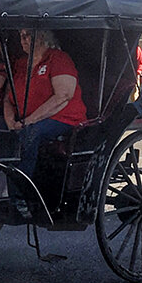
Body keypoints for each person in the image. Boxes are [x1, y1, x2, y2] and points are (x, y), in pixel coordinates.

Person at [5, 28, 86, 178]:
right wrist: (9, 121)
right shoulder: (21, 63)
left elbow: (63, 96)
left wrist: (28, 121)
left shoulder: (58, 59)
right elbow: (7, 97)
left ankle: (20, 192)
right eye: (21, 35)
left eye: (28, 34)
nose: (23, 39)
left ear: (42, 36)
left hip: (62, 118)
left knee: (30, 133)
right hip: (23, 119)